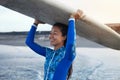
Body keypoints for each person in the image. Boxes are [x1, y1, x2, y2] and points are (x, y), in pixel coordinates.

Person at [25, 10, 83, 80]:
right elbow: (29, 42)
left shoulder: (67, 55)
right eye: (50, 33)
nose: (50, 36)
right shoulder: (49, 53)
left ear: (64, 37)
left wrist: (72, 19)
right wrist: (35, 23)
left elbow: (70, 43)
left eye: (55, 33)